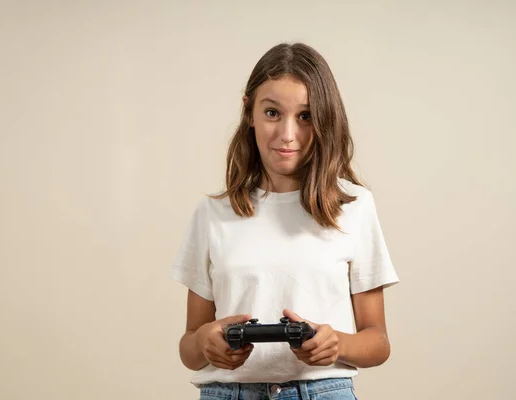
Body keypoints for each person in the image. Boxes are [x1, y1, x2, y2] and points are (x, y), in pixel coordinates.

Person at [170, 42, 399, 400]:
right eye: (272, 113)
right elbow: (189, 348)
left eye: (305, 116)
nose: (287, 134)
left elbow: (378, 342)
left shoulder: (353, 206)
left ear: (325, 118)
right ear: (249, 112)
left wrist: (335, 343)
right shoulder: (213, 214)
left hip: (323, 390)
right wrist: (205, 342)